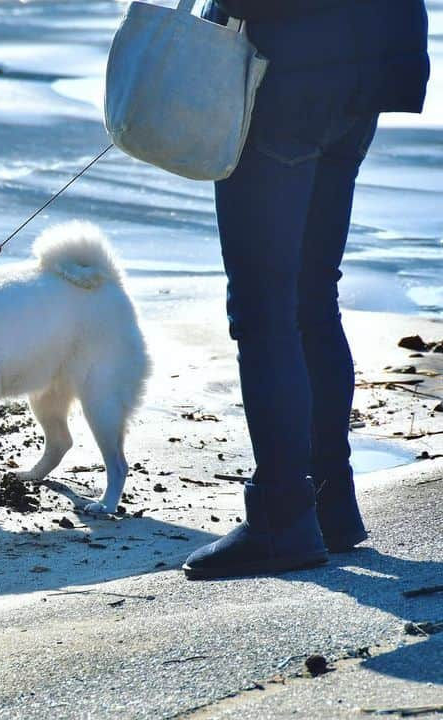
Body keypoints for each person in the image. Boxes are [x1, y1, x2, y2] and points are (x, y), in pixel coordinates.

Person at [182, 0, 430, 579]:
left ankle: (282, 518)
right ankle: (329, 505)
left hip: (291, 71)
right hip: (368, 66)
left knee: (265, 308)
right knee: (311, 294)